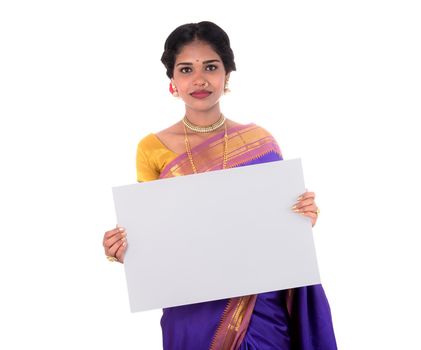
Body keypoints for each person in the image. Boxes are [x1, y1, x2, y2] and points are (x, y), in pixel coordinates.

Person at [103, 21, 337, 350]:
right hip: (190, 310)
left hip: (261, 308)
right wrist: (125, 250)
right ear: (172, 81)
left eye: (211, 67)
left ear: (227, 75)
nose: (199, 79)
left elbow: (279, 227)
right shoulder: (152, 149)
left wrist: (304, 215)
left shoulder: (260, 141)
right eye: (186, 69)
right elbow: (156, 236)